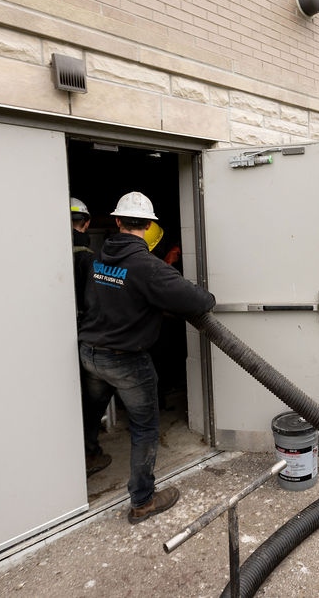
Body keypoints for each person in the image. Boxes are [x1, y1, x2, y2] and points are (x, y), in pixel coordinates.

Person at [78, 191, 216, 524]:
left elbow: (117, 293)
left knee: (92, 409)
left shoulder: (97, 257)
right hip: (125, 360)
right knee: (145, 429)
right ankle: (142, 501)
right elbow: (201, 301)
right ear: (151, 225)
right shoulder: (147, 267)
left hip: (90, 354)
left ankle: (89, 456)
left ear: (117, 221)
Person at [70, 198, 113, 477]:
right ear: (86, 223)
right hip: (85, 335)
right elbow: (97, 302)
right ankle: (88, 452)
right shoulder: (88, 258)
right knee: (93, 394)